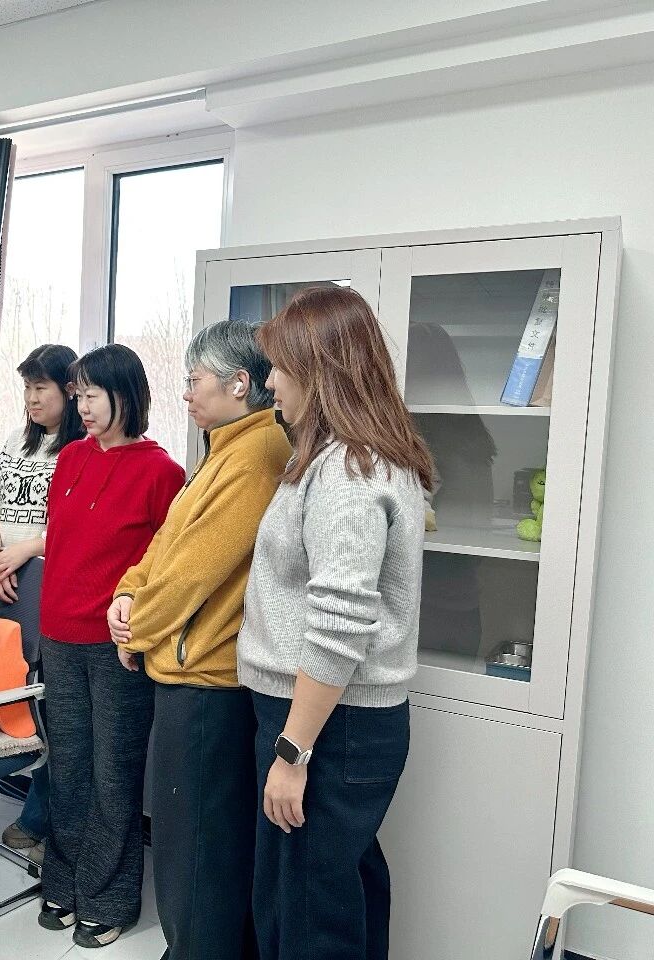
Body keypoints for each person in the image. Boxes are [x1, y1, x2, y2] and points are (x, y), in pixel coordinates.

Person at [238, 286, 434, 960]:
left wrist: (292, 752)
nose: (269, 382)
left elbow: (340, 624)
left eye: (279, 367)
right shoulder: (347, 458)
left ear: (319, 371)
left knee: (306, 916)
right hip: (332, 718)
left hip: (327, 723)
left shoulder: (350, 471)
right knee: (336, 890)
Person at [109, 319, 291, 960]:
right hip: (188, 672)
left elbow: (195, 572)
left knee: (198, 853)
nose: (185, 393)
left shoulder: (258, 452)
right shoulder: (224, 446)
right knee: (195, 847)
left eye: (195, 380)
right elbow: (166, 543)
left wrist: (137, 628)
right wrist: (126, 594)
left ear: (239, 384)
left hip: (209, 683)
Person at [38, 344, 185, 949]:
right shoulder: (70, 457)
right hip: (58, 635)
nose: (83, 407)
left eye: (93, 395)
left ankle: (109, 898)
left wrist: (140, 627)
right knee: (68, 766)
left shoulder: (161, 472)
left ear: (127, 395)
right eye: (78, 395)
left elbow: (166, 566)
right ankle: (64, 881)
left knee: (113, 774)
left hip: (116, 646)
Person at [0, 343, 84, 866]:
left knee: (51, 707)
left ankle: (43, 819)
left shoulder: (81, 449)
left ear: (69, 391)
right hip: (7, 583)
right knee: (9, 686)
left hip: (52, 585)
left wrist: (23, 551)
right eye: (26, 388)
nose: (31, 399)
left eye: (41, 388)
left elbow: (74, 526)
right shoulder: (17, 441)